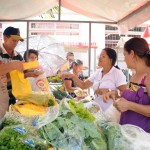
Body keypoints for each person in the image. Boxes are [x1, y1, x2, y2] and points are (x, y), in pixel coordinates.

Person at [103, 37, 150, 133]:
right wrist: (116, 96)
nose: (124, 59)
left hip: (143, 139)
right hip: (127, 134)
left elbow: (130, 104)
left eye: (125, 55)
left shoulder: (148, 76)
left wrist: (129, 105)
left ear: (132, 54)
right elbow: (130, 100)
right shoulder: (134, 76)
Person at [62, 48, 127, 111]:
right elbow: (84, 85)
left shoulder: (117, 73)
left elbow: (124, 93)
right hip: (97, 109)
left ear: (110, 60)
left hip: (111, 111)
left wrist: (109, 91)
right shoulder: (98, 72)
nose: (99, 58)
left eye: (103, 56)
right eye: (100, 56)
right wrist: (73, 76)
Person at [0, 26, 24, 105]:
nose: (16, 43)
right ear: (5, 38)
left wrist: (29, 73)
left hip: (12, 96)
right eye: (13, 40)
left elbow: (21, 75)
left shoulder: (18, 56)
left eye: (17, 41)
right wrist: (13, 66)